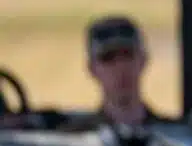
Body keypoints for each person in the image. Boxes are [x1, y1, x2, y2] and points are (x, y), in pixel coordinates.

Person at [0, 14, 172, 134]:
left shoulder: (176, 136)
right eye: (108, 58)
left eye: (128, 55)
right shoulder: (75, 141)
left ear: (143, 60)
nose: (120, 67)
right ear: (92, 69)